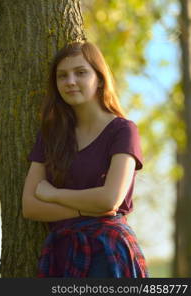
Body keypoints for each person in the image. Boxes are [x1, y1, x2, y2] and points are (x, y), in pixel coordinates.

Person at [22, 41, 148, 278]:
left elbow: (109, 200)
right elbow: (30, 206)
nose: (70, 81)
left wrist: (54, 195)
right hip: (61, 253)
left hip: (108, 251)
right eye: (62, 76)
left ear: (99, 79)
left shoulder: (123, 131)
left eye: (80, 73)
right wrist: (84, 209)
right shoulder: (50, 136)